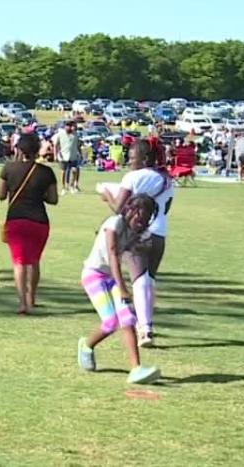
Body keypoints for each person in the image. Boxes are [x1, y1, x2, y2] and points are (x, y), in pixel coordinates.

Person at [77, 194, 162, 385]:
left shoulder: (135, 231)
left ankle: (136, 369)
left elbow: (130, 255)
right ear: (130, 210)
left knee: (127, 319)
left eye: (147, 218)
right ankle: (87, 345)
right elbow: (113, 254)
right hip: (94, 276)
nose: (142, 221)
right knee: (110, 322)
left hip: (111, 277)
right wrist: (123, 287)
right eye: (140, 216)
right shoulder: (114, 223)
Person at [99, 139, 175, 347]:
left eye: (133, 158)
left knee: (139, 280)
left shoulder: (133, 177)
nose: (129, 161)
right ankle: (147, 325)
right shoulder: (167, 179)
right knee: (148, 279)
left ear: (145, 159)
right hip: (160, 232)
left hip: (138, 232)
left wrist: (106, 195)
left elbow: (119, 208)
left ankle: (145, 328)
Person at [0, 132, 59, 315]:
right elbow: (53, 199)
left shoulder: (8, 169)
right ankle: (32, 298)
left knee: (19, 262)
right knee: (34, 260)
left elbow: (0, 195)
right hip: (39, 221)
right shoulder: (46, 172)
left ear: (19, 149)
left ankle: (23, 303)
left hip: (16, 220)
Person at [53, 121, 82, 194]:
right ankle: (64, 187)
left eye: (71, 126)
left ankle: (72, 186)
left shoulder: (75, 134)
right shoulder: (60, 134)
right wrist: (55, 155)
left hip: (73, 156)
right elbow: (55, 145)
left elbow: (78, 145)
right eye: (68, 126)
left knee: (74, 170)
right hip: (63, 156)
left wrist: (80, 154)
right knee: (63, 172)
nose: (69, 128)